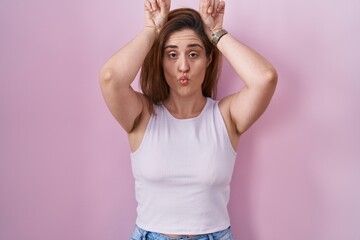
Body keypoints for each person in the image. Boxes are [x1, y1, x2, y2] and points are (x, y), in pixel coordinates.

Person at [99, 0, 277, 239]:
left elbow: (264, 78)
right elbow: (111, 78)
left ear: (208, 59)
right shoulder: (142, 115)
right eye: (171, 55)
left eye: (194, 54)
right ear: (160, 61)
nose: (183, 66)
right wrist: (152, 30)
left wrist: (216, 33)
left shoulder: (226, 116)